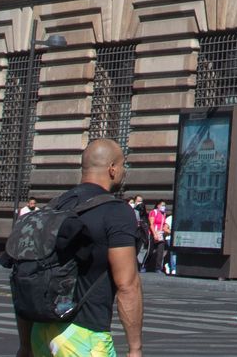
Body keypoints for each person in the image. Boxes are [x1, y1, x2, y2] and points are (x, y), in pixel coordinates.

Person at [14, 138, 144, 357]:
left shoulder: (56, 206)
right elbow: (128, 285)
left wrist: (25, 345)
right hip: (85, 336)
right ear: (112, 168)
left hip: (42, 332)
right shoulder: (117, 212)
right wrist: (135, 348)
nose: (123, 171)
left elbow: (27, 278)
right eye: (123, 165)